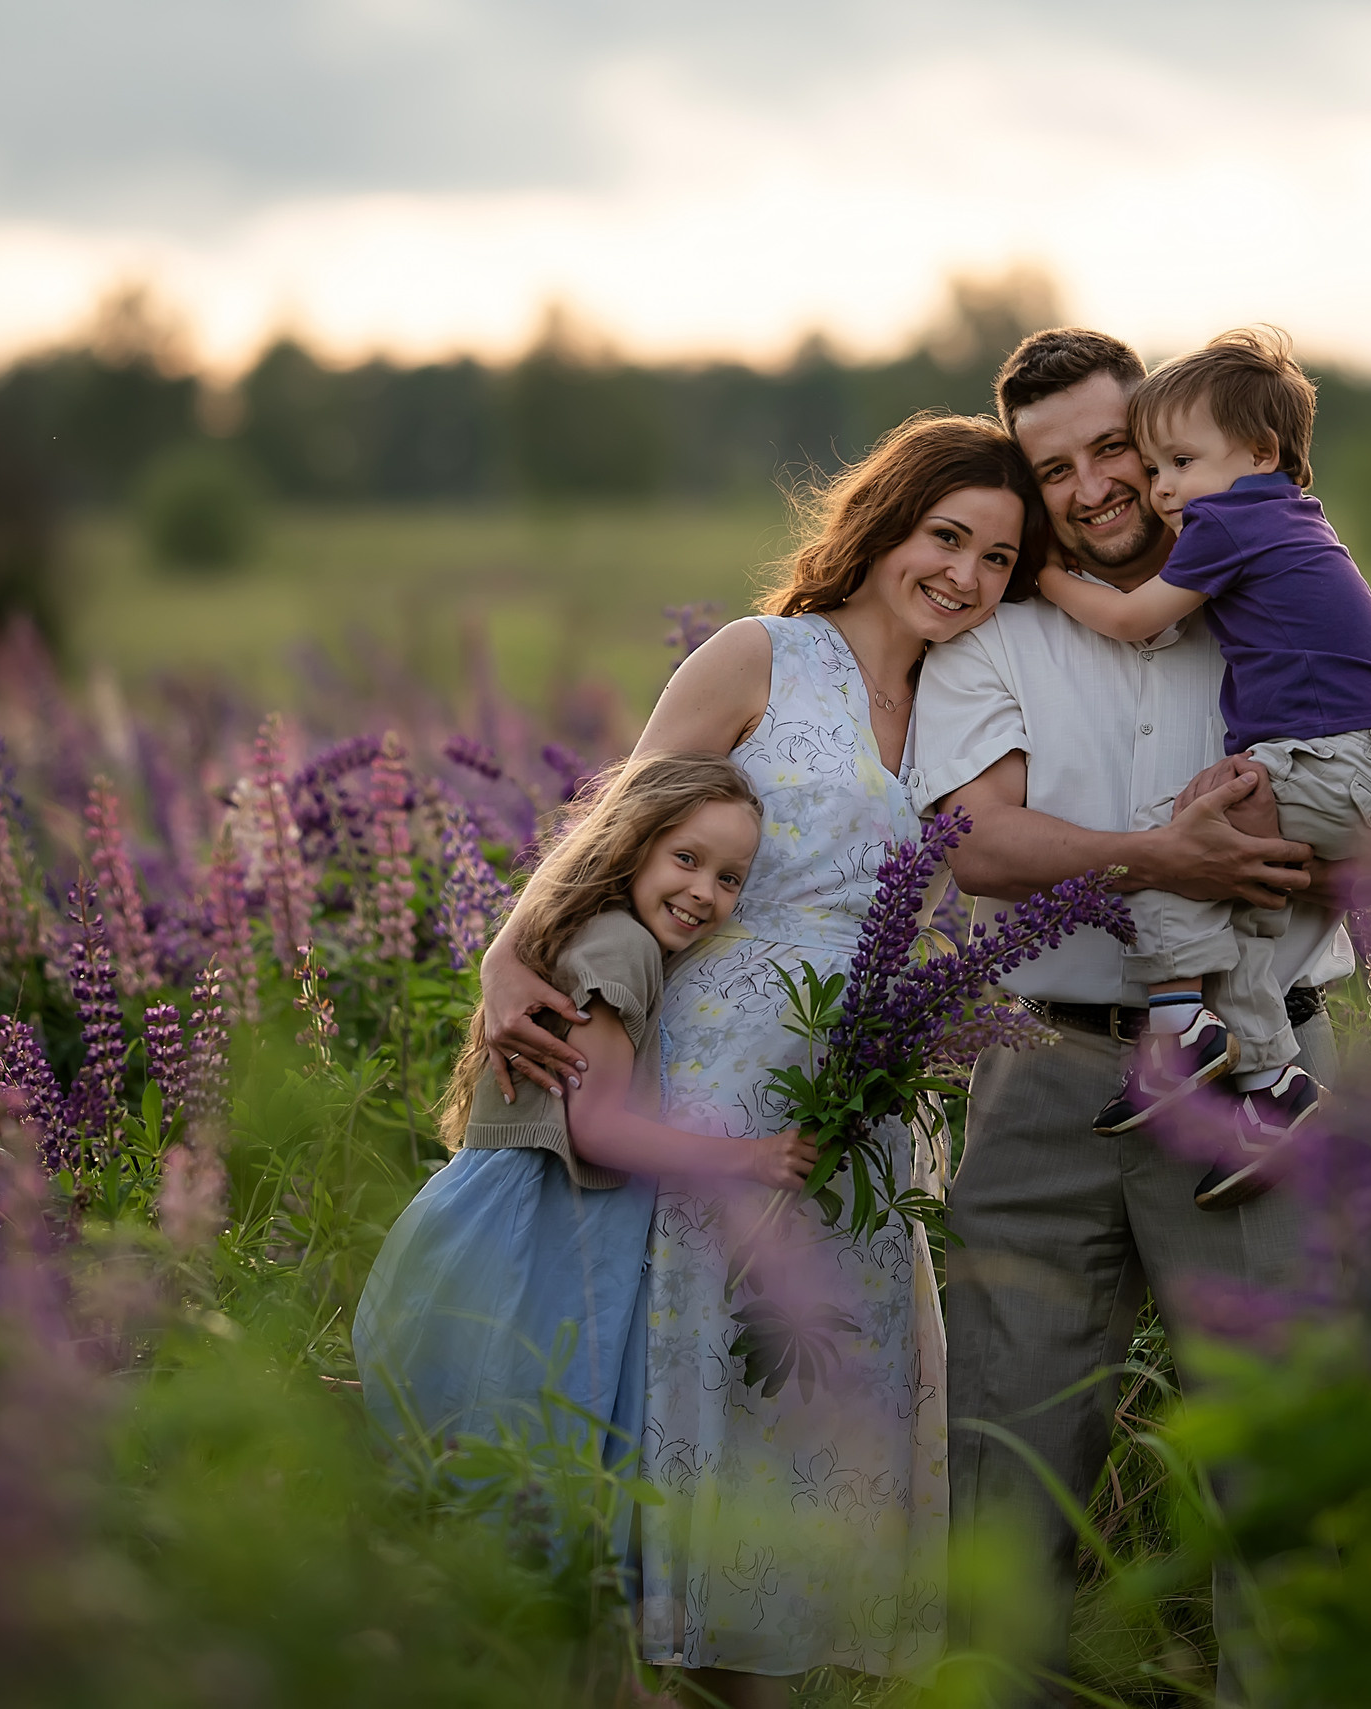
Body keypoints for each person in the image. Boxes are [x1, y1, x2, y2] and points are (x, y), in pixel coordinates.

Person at [478, 412, 1051, 1706]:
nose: (962, 575)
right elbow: (625, 826)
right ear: (885, 521)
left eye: (997, 559)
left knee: (819, 1407)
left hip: (860, 1105)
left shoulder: (969, 704)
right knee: (710, 1401)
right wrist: (509, 956)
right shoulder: (761, 657)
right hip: (715, 1083)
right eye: (944, 535)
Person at [906, 327, 1371, 1702]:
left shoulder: (1292, 587)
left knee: (1279, 1459)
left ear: (1159, 436)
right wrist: (1164, 859)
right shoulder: (1002, 635)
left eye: (1113, 448)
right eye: (1055, 466)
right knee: (1007, 1456)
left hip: (1266, 1074)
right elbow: (981, 847)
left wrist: (1253, 867)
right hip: (1044, 1078)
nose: (1093, 486)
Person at [353, 750, 815, 1495]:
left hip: (518, 1224)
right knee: (525, 1466)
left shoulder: (608, 933)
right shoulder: (621, 946)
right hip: (538, 1235)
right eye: (686, 859)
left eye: (729, 878)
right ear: (636, 844)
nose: (704, 892)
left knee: (484, 1468)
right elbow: (595, 1127)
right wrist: (750, 1158)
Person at [1034, 327, 1371, 1208]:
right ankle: (1274, 1085)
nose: (1163, 489)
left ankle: (1177, 1030)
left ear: (1262, 453)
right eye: (1156, 467)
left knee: (1182, 836)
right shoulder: (1296, 522)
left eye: (1178, 462)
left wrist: (1049, 578)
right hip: (1355, 766)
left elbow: (1137, 620)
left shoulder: (1231, 518)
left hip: (1329, 762)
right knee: (1245, 915)